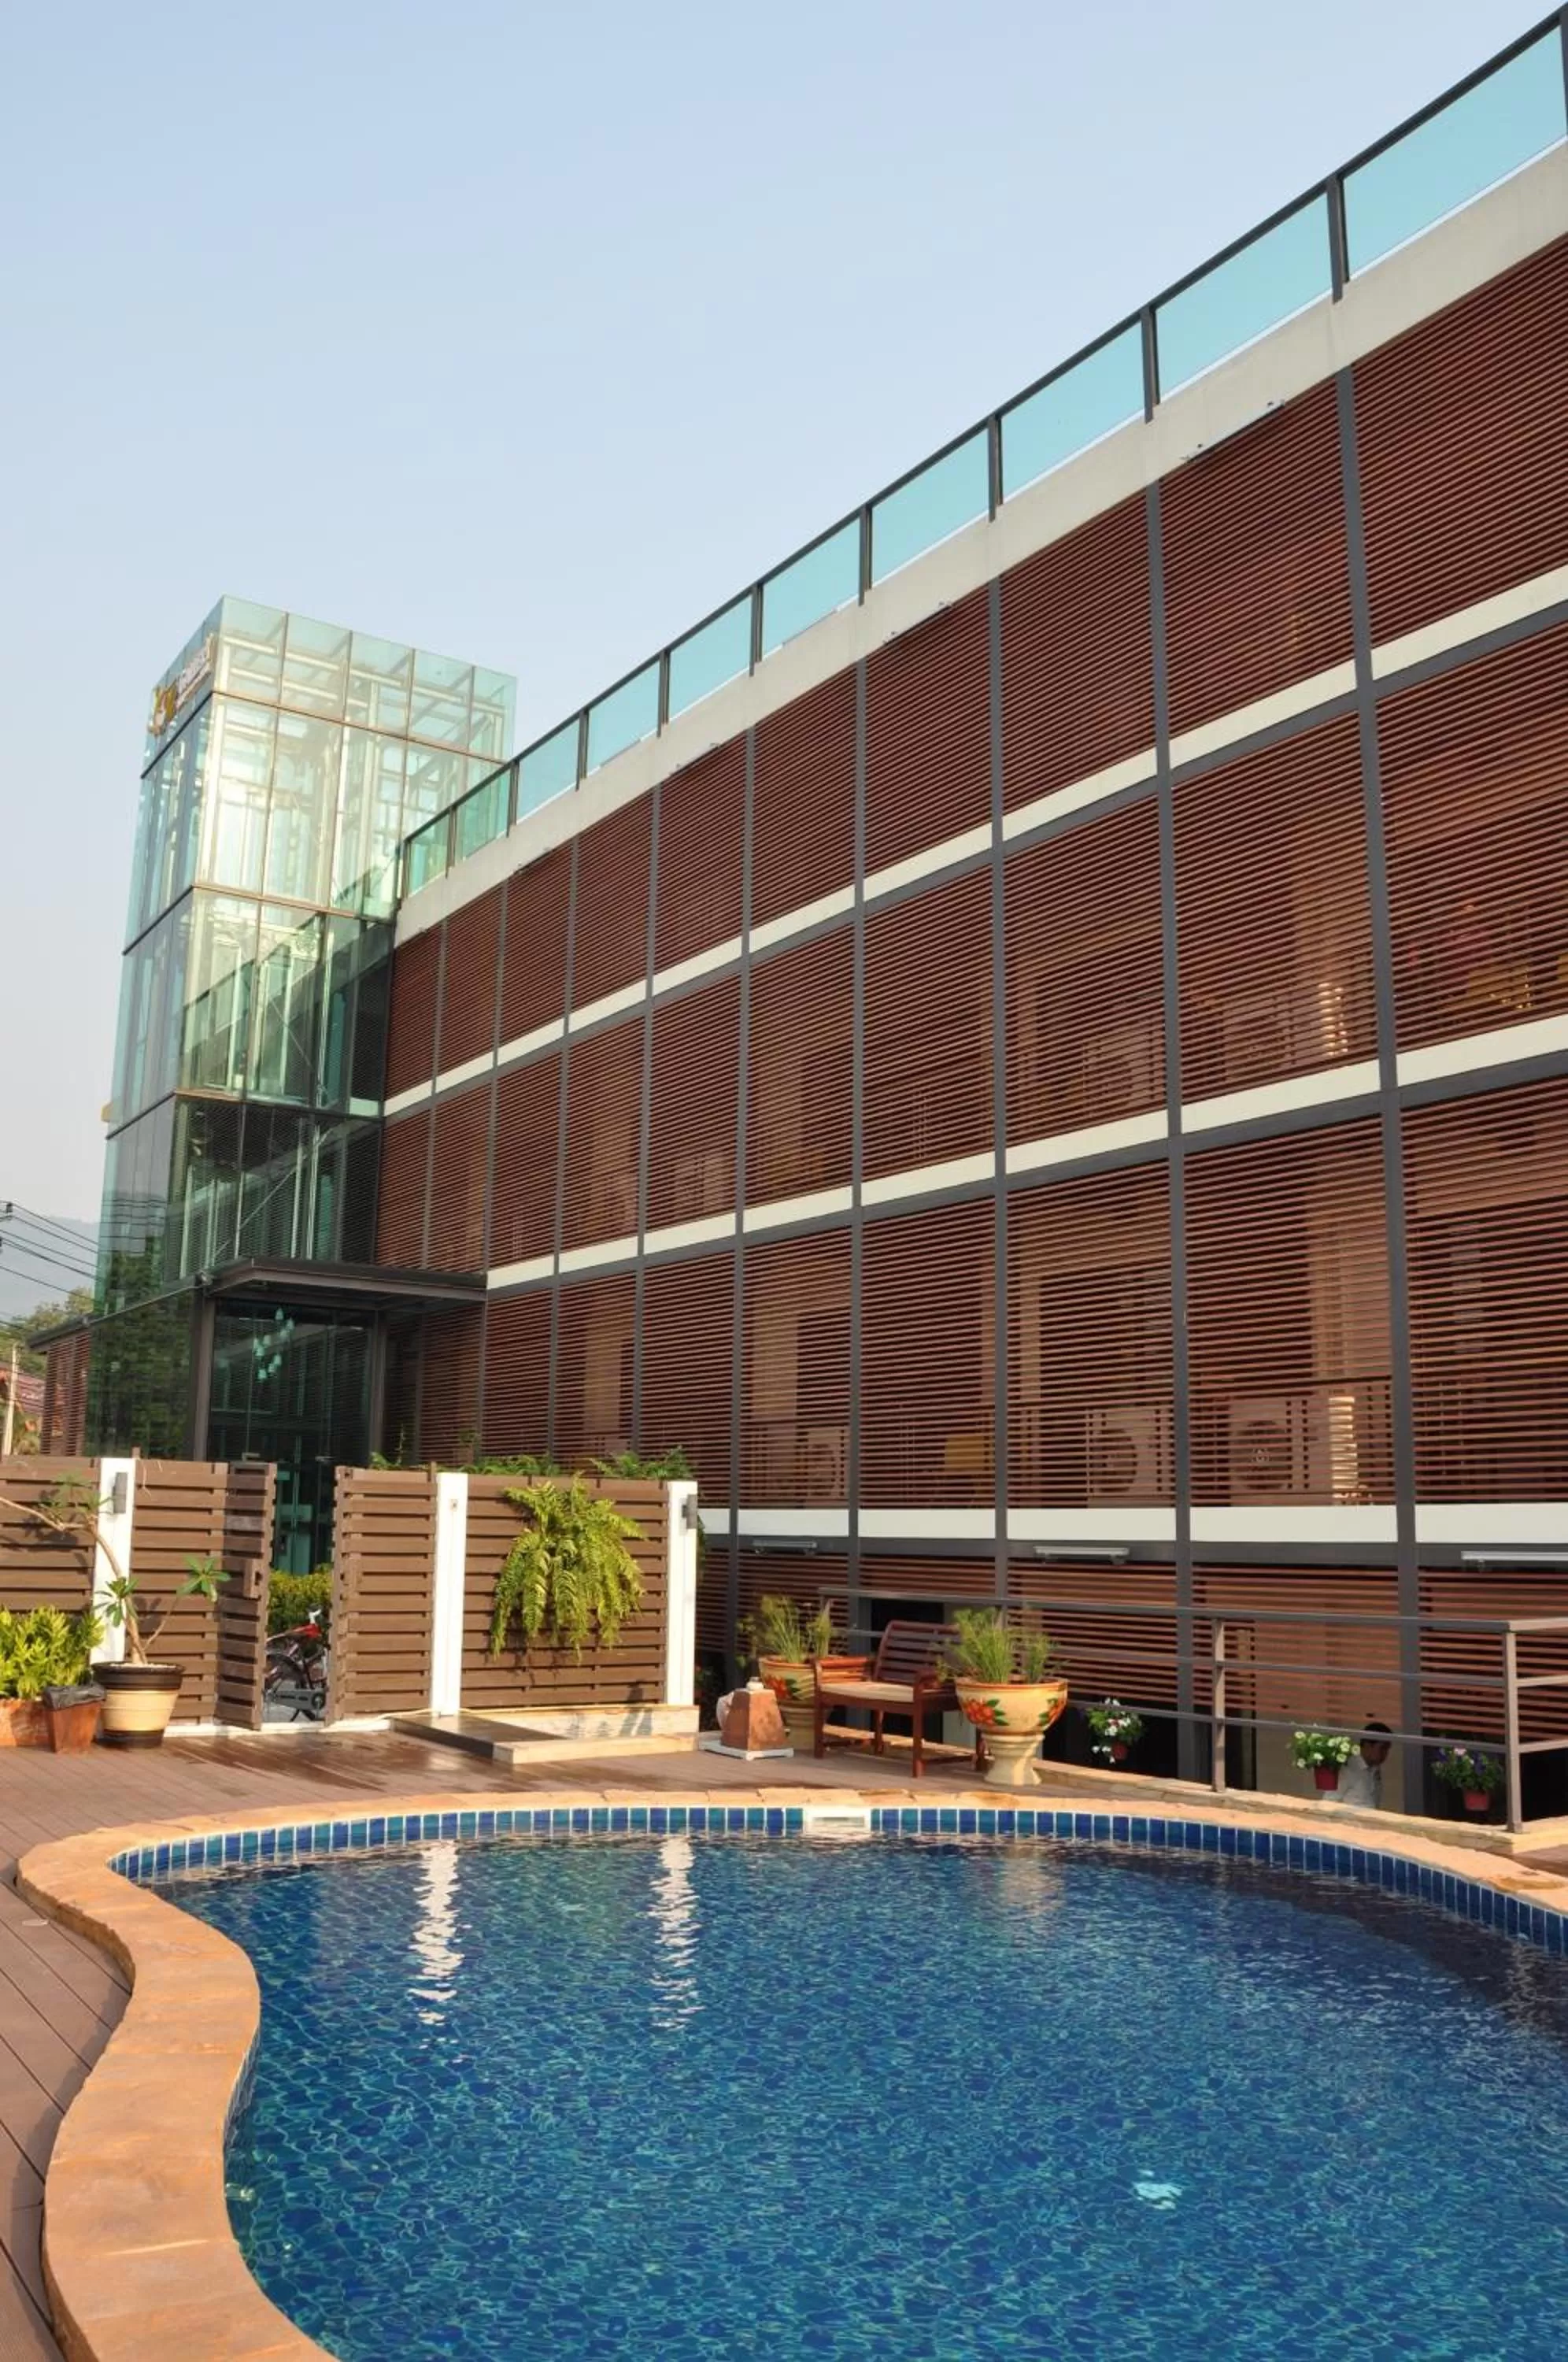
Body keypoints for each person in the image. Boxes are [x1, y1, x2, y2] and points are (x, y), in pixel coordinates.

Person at [1337, 1720, 1392, 1809]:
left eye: (1387, 1749)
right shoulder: (1348, 1768)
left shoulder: (1375, 1769)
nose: (1385, 1753)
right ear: (1368, 1745)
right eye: (1382, 1748)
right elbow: (1329, 1801)